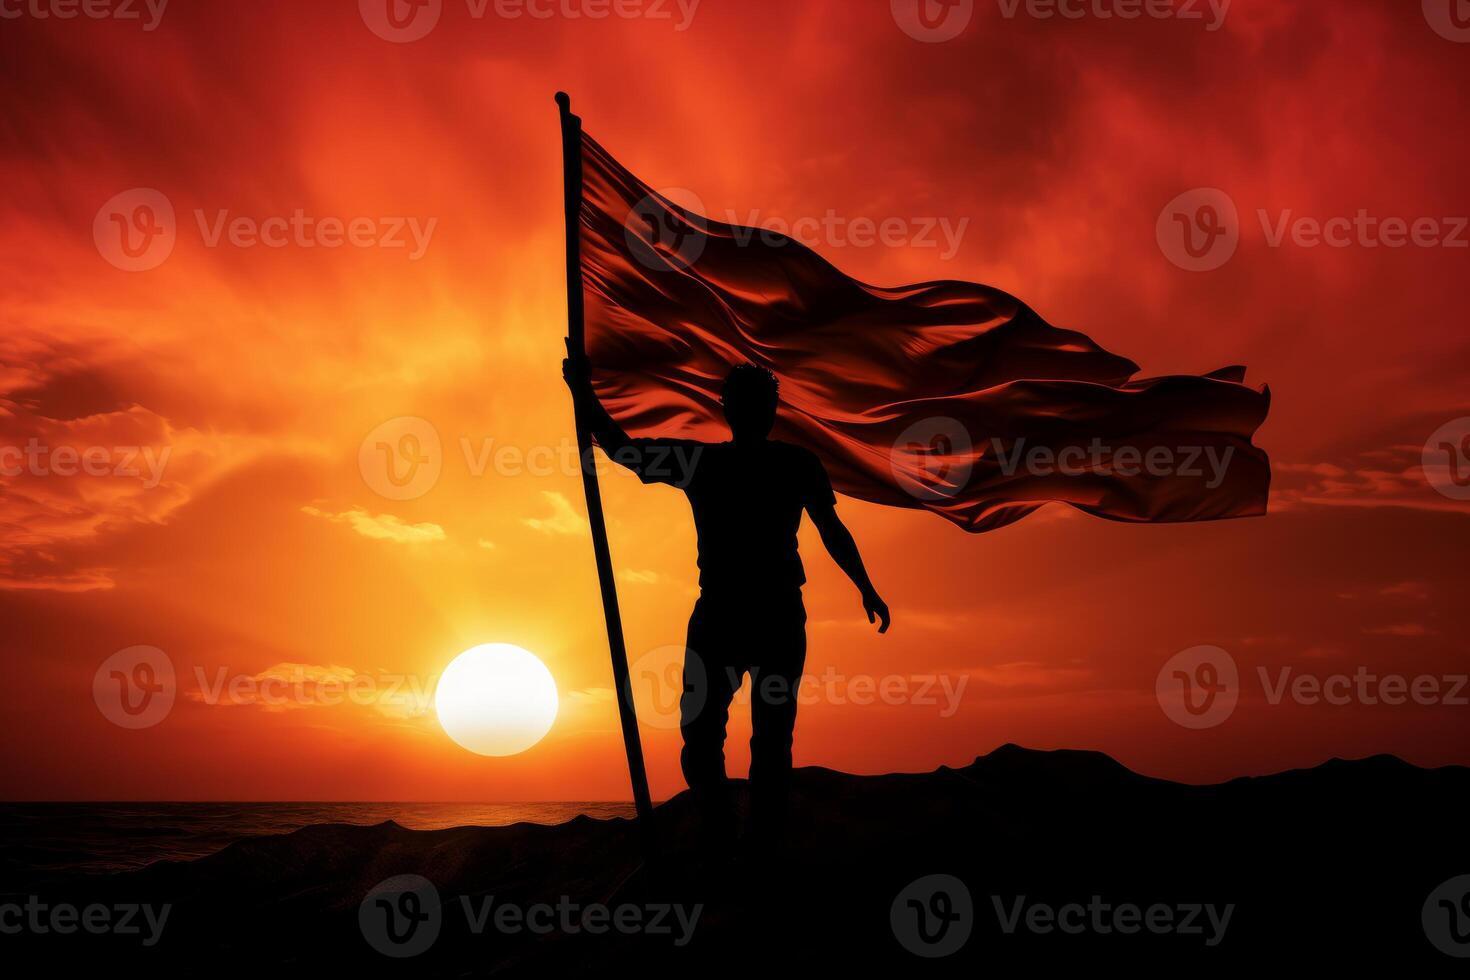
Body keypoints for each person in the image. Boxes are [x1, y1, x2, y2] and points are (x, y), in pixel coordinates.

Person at [563, 352, 891, 852]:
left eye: (760, 403)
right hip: (721, 615)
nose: (752, 411)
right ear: (729, 409)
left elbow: (831, 527)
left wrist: (864, 585)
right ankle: (722, 832)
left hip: (776, 615)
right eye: (743, 402)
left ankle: (760, 847)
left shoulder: (795, 464)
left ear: (769, 411)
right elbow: (624, 452)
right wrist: (581, 392)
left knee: (772, 739)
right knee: (699, 739)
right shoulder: (704, 463)